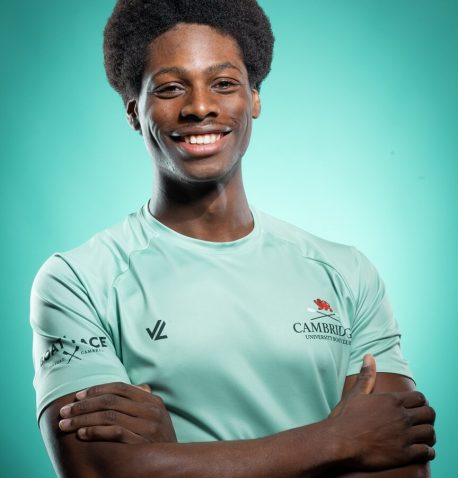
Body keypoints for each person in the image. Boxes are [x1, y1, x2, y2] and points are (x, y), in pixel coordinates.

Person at [30, 1, 436, 477]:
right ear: (134, 112)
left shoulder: (347, 273)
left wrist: (172, 458)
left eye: (223, 83)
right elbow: (98, 471)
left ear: (254, 98)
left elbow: (398, 459)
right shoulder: (79, 280)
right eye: (170, 88)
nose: (200, 107)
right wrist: (337, 440)